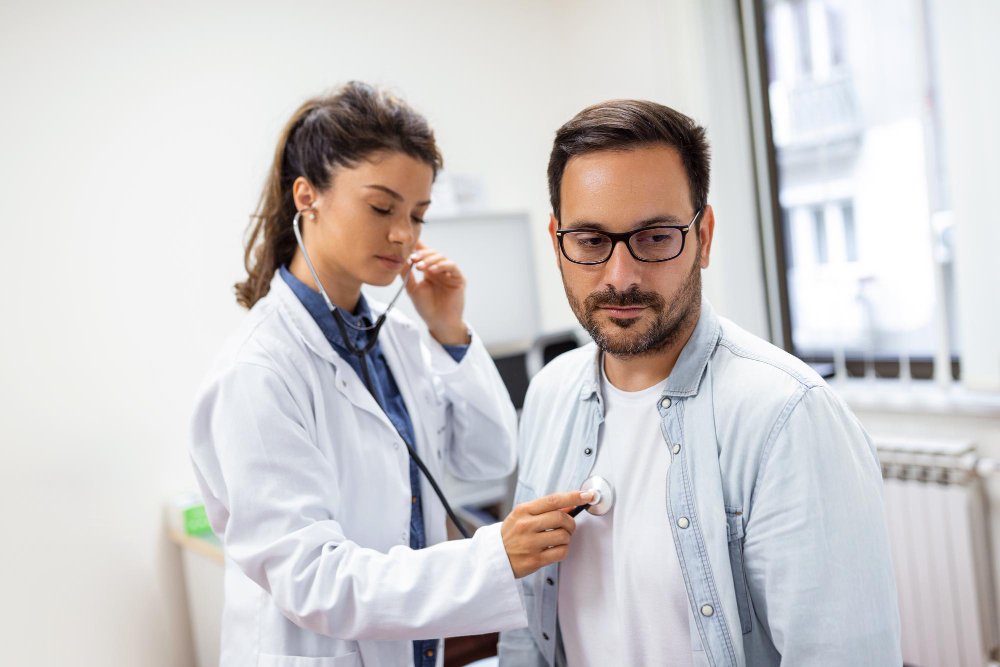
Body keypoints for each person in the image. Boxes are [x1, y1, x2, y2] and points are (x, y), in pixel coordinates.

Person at [189, 82, 590, 667]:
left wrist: (450, 332)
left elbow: (488, 457)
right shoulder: (258, 371)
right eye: (382, 208)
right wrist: (491, 557)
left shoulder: (394, 335)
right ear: (308, 196)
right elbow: (312, 579)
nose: (404, 234)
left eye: (418, 215)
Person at [498, 99, 901, 666]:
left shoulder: (786, 416)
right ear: (557, 241)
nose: (621, 277)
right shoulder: (549, 393)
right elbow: (527, 618)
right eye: (590, 241)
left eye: (656, 237)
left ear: (703, 236)